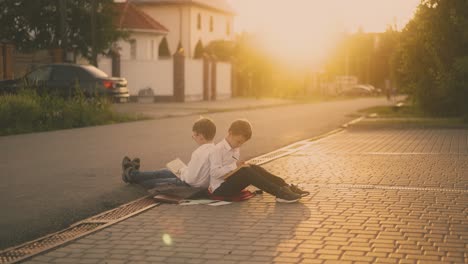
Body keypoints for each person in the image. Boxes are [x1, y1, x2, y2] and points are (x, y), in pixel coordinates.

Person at [209, 119, 309, 203]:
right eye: (238, 141)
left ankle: (285, 186)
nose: (239, 145)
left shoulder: (235, 148)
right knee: (246, 172)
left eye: (242, 143)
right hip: (219, 189)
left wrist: (239, 166)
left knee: (252, 167)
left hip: (230, 182)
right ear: (230, 133)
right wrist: (235, 166)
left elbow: (233, 171)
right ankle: (279, 193)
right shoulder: (217, 150)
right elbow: (214, 173)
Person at [121, 117, 216, 189]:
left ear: (201, 136)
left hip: (187, 185)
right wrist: (183, 170)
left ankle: (131, 174)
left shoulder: (199, 153)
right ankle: (132, 172)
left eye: (194, 135)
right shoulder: (214, 150)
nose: (193, 138)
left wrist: (182, 171)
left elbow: (190, 179)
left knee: (154, 181)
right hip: (193, 181)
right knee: (165, 171)